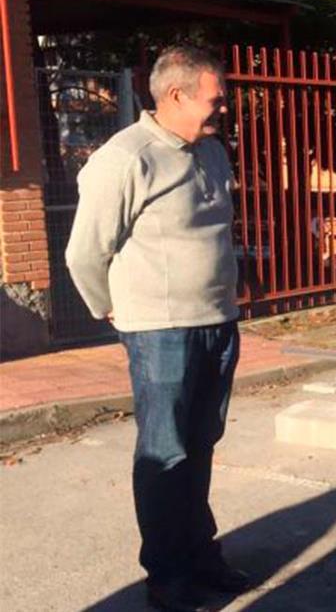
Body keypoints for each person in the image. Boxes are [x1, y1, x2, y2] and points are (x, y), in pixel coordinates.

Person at [65, 46, 250, 612]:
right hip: (161, 334)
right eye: (214, 97)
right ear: (175, 96)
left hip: (218, 325)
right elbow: (83, 254)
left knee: (200, 447)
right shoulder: (125, 159)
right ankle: (166, 575)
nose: (223, 107)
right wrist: (109, 309)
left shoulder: (212, 151)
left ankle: (201, 556)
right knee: (165, 454)